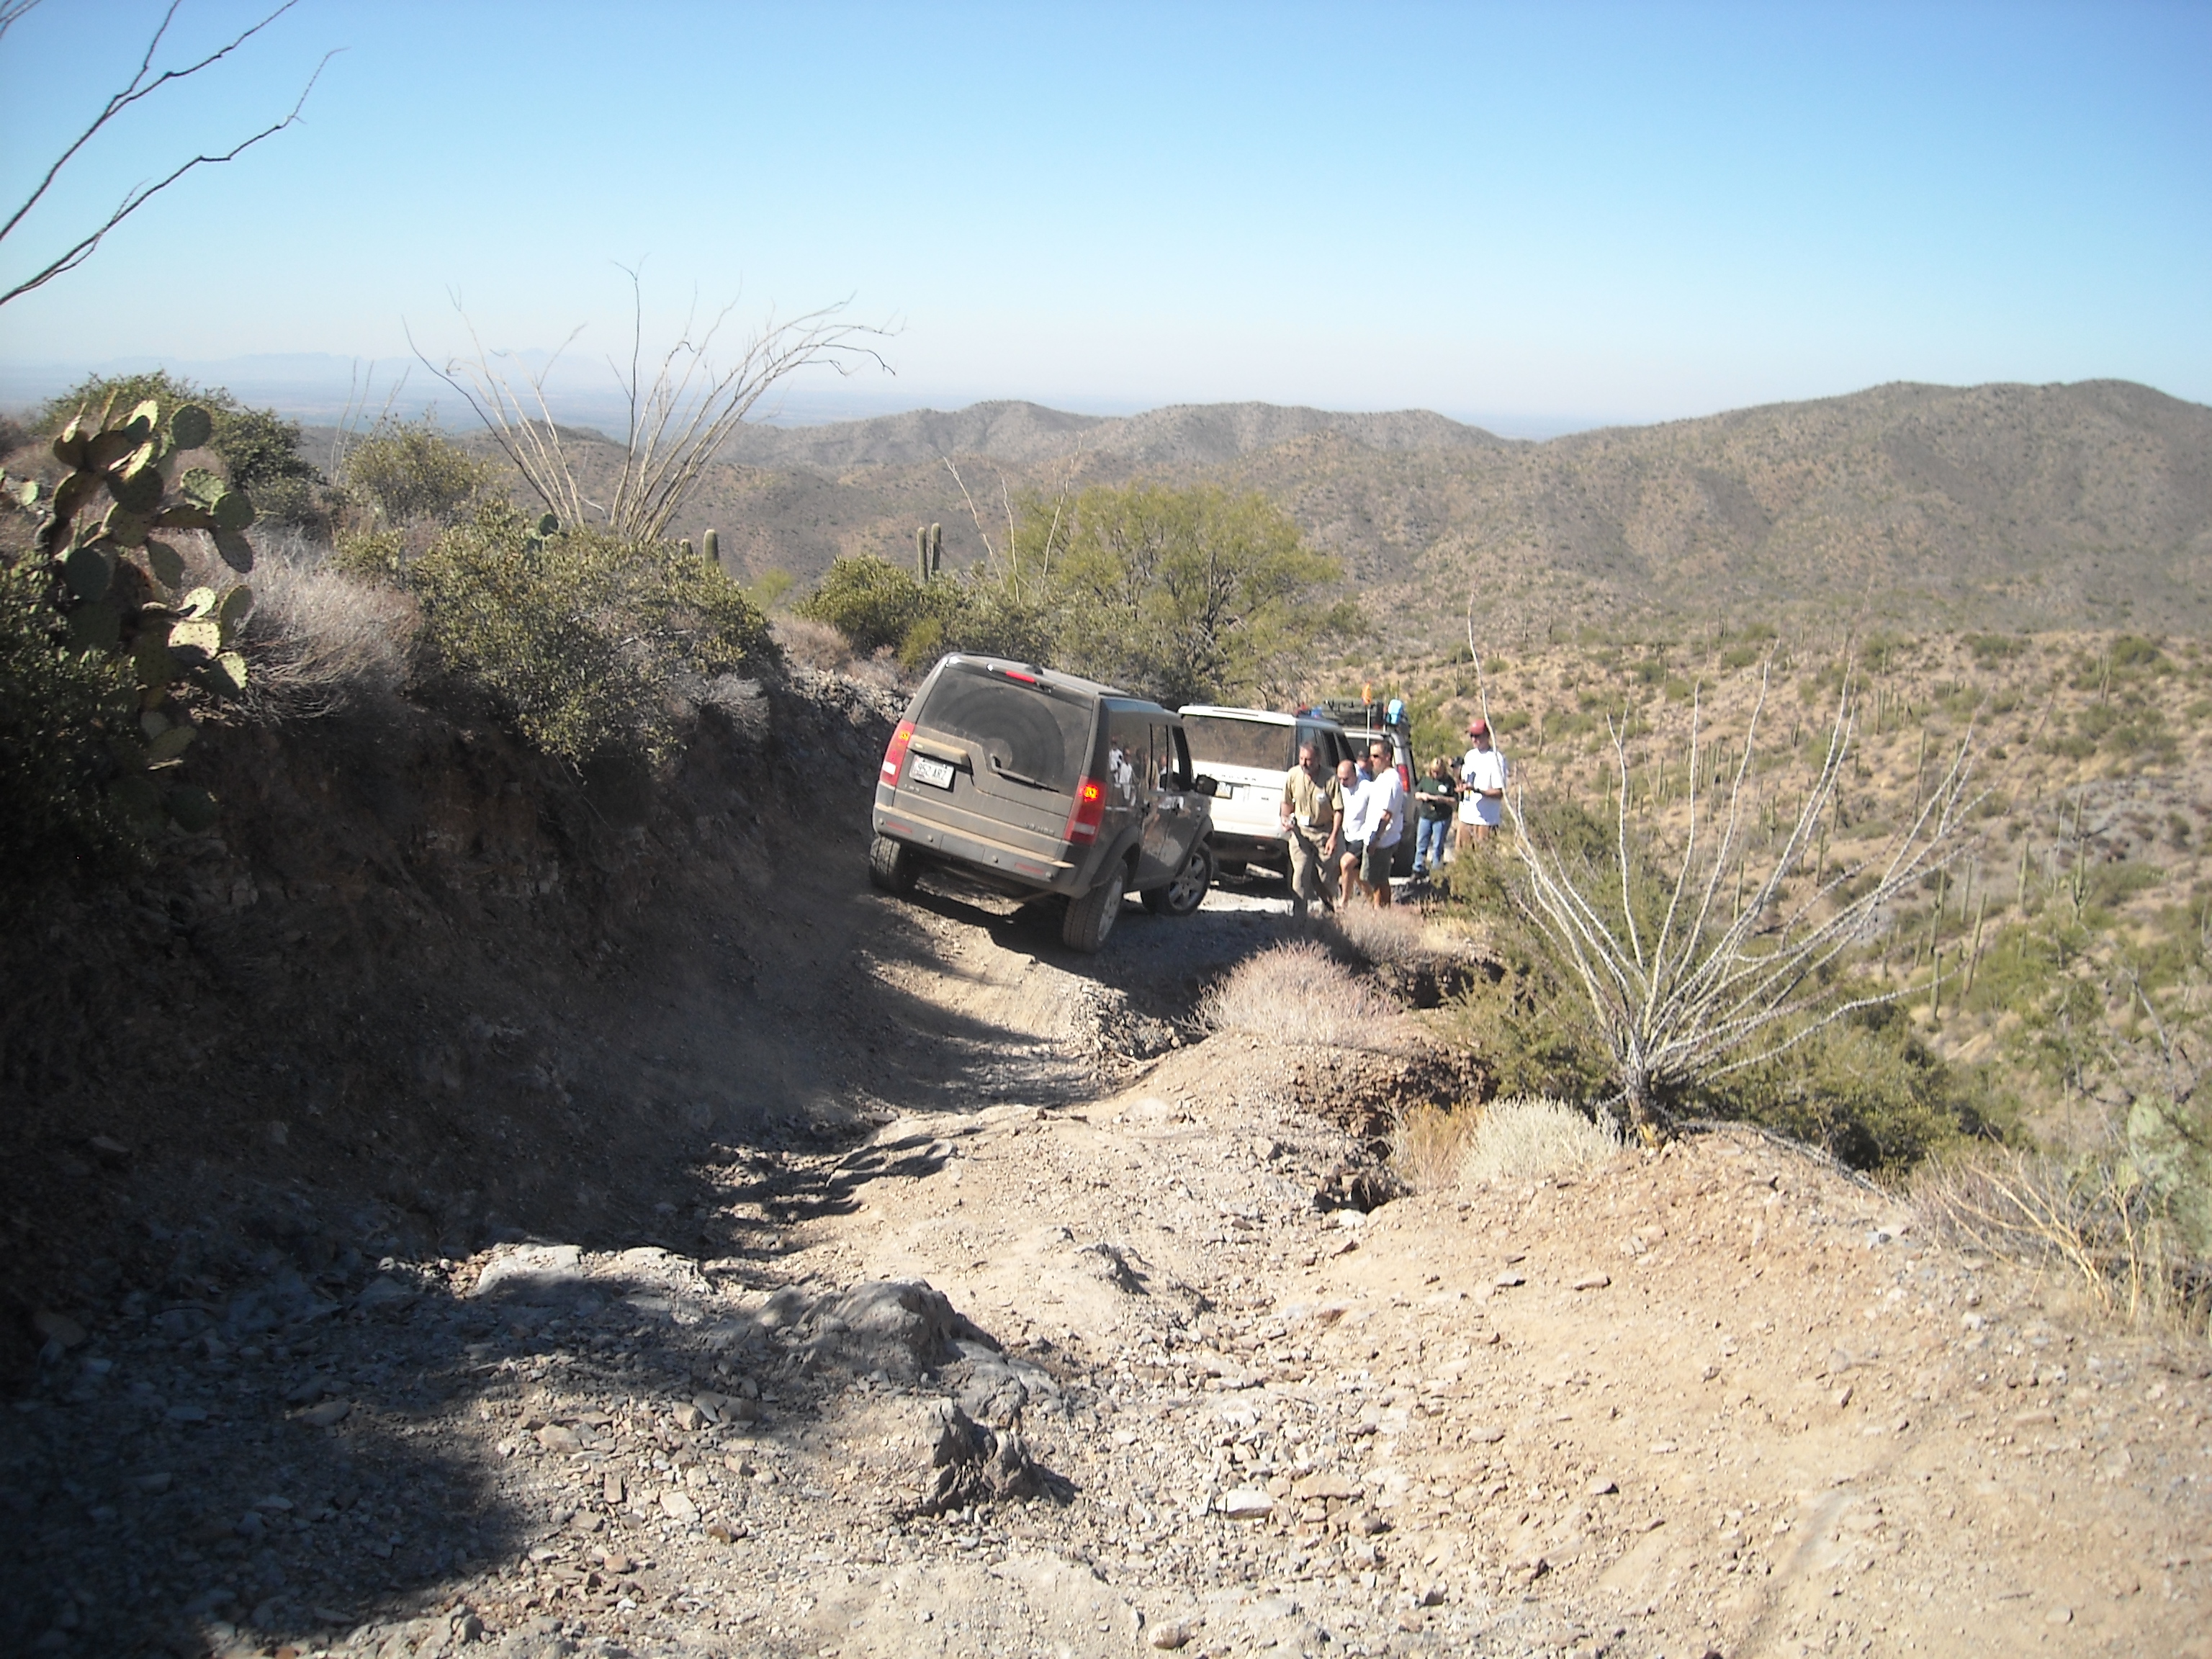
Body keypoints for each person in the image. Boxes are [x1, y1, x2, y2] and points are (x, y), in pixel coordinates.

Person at [1278, 741, 1343, 918]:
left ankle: (1329, 913)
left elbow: (1338, 810)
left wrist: (1334, 837)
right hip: (1301, 832)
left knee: (1325, 878)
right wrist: (1285, 818)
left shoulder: (1330, 779)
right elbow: (1286, 802)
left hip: (1324, 833)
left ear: (1318, 759)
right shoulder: (1293, 775)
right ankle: (1299, 918)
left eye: (1309, 760)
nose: (1304, 763)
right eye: (1301, 759)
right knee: (1300, 873)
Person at [1350, 737, 1406, 907]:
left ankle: (1381, 909)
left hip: (1383, 839)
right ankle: (1377, 906)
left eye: (1376, 756)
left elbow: (1387, 815)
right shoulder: (1382, 778)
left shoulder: (1391, 781)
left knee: (1378, 880)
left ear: (1387, 756)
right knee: (1370, 876)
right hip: (1372, 835)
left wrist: (1376, 839)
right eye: (1371, 756)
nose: (1372, 760)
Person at [1459, 719, 1506, 848]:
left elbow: (1499, 793)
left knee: (1484, 856)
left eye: (1477, 736)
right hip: (1466, 817)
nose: (1474, 739)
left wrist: (1477, 790)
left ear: (1487, 735)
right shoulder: (1469, 756)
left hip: (1486, 820)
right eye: (1472, 736)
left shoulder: (1496, 758)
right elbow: (1464, 781)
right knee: (1463, 856)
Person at [1412, 755, 1457, 876]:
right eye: (1434, 772)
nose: (1436, 774)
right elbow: (1416, 794)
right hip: (1426, 815)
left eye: (1438, 772)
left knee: (1438, 845)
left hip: (1441, 817)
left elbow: (1454, 800)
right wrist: (1423, 796)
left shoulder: (1449, 782)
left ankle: (1436, 870)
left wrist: (1443, 799)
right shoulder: (1426, 780)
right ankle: (1418, 868)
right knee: (1421, 843)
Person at [1334, 756, 1365, 904]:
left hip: (1362, 836)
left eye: (1346, 779)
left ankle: (1343, 902)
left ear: (1354, 775)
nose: (1342, 782)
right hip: (1347, 835)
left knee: (1345, 864)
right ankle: (1375, 903)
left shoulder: (1366, 788)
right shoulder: (1340, 788)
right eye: (1340, 778)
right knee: (1356, 874)